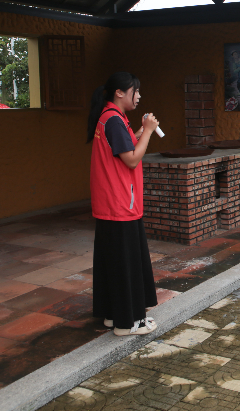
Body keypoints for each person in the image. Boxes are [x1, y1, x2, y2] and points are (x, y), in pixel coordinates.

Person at [87, 72, 159, 336]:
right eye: (135, 91)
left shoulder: (109, 118)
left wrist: (139, 130)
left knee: (113, 262)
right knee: (126, 263)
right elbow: (131, 159)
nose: (138, 96)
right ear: (120, 93)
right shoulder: (114, 121)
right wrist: (149, 132)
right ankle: (129, 323)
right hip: (121, 204)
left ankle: (113, 315)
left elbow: (123, 144)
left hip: (111, 203)